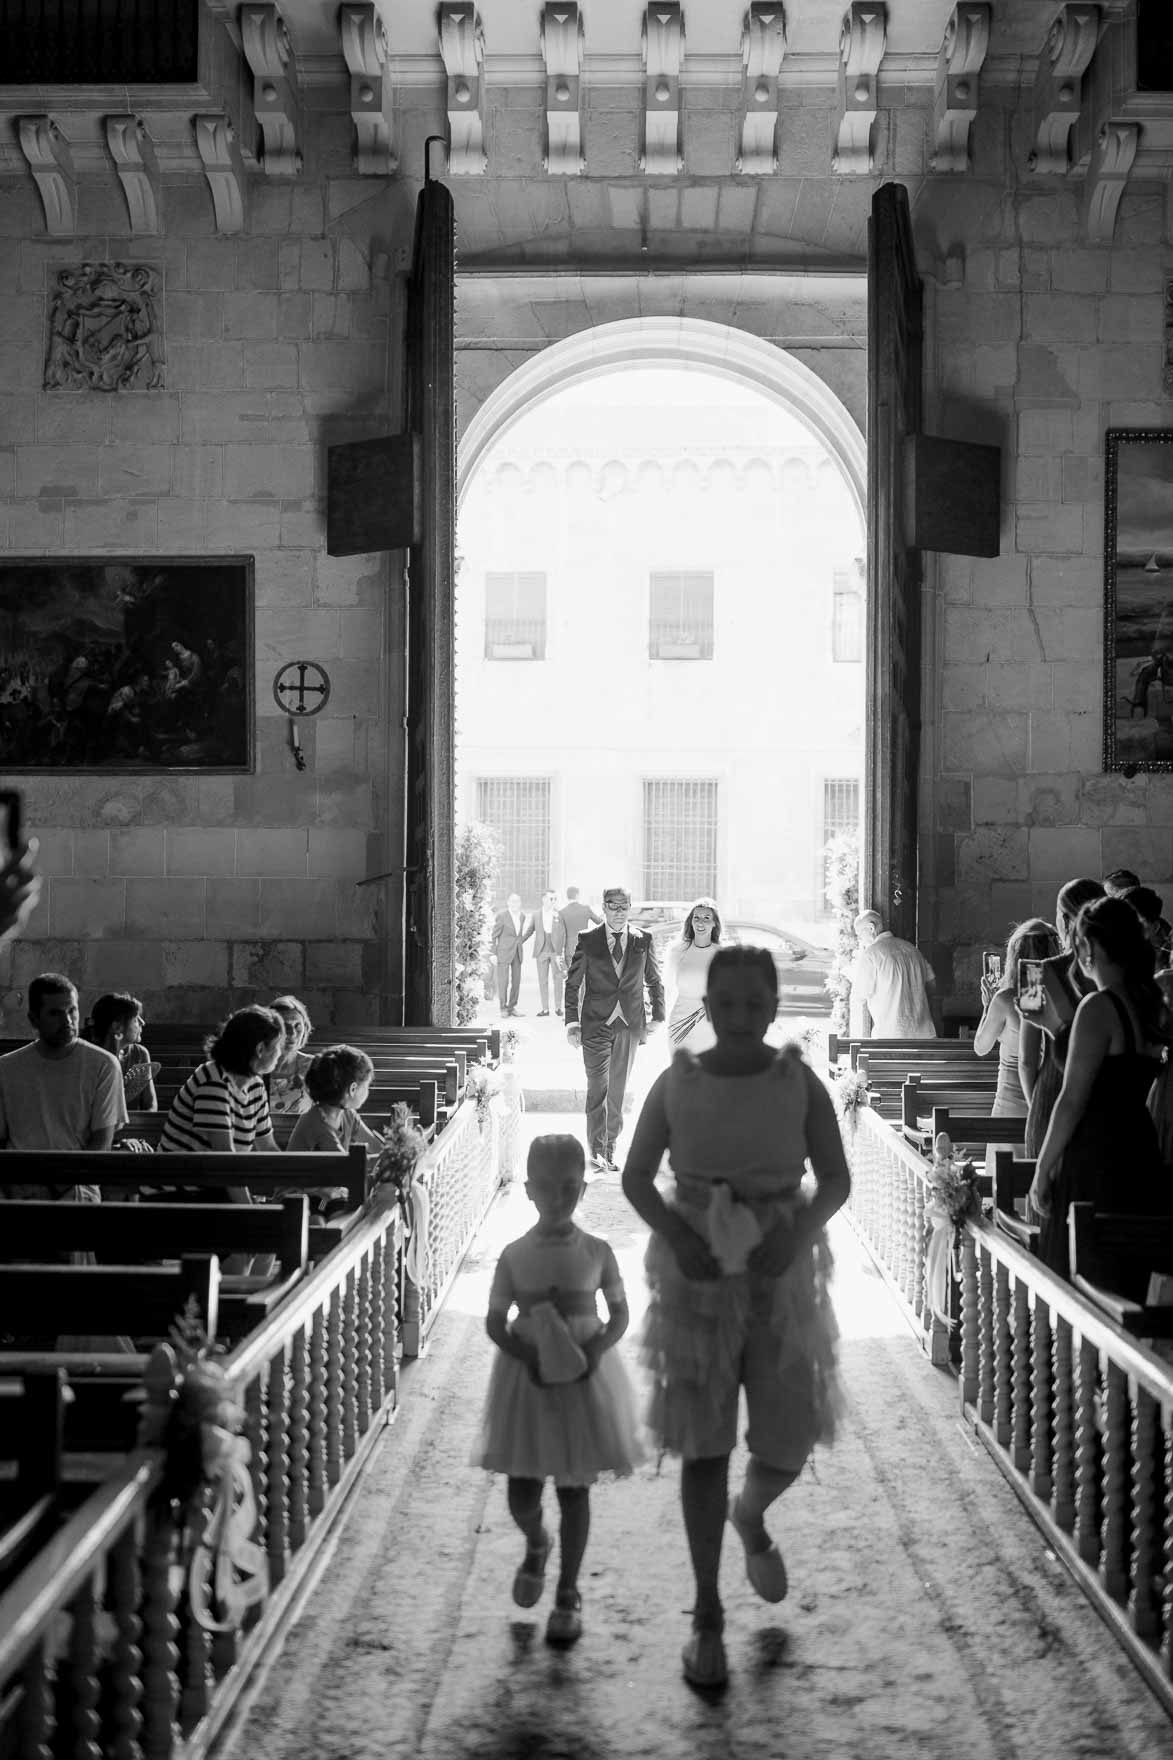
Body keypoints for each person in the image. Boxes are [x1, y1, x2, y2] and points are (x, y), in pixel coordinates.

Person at [622, 945, 849, 1690]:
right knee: (704, 1447)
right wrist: (680, 1236)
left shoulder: (798, 1080)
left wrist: (797, 1231)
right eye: (729, 1003)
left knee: (787, 1439)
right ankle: (705, 1613)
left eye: (757, 1003)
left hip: (779, 1277)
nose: (743, 1015)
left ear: (772, 1006)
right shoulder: (675, 1080)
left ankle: (750, 1515)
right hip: (698, 1279)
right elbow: (634, 1177)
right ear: (710, 1006)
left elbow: (835, 1180)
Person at [474, 1134, 642, 1648]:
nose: (558, 1197)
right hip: (527, 1383)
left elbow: (619, 1315)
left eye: (569, 1187)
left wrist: (593, 1352)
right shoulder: (513, 1255)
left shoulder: (597, 1251)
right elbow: (496, 1321)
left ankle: (568, 1590)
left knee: (574, 1488)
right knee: (522, 1491)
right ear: (528, 1190)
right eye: (546, 1187)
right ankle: (536, 1540)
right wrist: (526, 1356)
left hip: (582, 1382)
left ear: (583, 1189)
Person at [1030, 897, 1171, 1279]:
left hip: (1096, 1155)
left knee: (1084, 1271)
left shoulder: (1098, 1007)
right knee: (1129, 1274)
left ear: (1088, 947)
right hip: (1140, 1150)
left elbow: (1072, 1099)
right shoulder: (1153, 1004)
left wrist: (1042, 1169)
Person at [563, 884, 665, 1174]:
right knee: (598, 1088)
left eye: (623, 906)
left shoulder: (643, 939)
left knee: (617, 1090)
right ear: (603, 907)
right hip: (595, 1024)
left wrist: (658, 1013)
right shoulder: (588, 939)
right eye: (612, 905)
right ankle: (596, 1152)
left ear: (629, 908)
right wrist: (572, 1023)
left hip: (629, 1025)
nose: (618, 912)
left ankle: (609, 1150)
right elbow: (572, 984)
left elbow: (655, 980)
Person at [0, 974, 128, 1198]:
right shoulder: (7, 1068)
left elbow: (101, 1142)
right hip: (18, 1183)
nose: (68, 1021)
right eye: (55, 1013)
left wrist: (61, 1182)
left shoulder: (103, 1065)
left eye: (72, 1011)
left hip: (77, 1184)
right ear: (34, 1019)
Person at [1019, 877, 1105, 1158]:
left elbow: (1026, 1059)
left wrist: (1038, 1107)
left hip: (1053, 1086)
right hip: (1102, 1089)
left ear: (1064, 920)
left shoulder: (1032, 973)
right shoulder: (1113, 972)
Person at [159, 1008, 283, 1199]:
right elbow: (224, 1159)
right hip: (178, 1194)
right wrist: (250, 1214)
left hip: (214, 1189)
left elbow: (267, 1147)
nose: (280, 1053)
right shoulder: (213, 1081)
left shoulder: (255, 1085)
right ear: (260, 1049)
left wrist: (296, 1183)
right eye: (277, 1046)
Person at [973, 920, 1060, 1118]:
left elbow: (981, 1047)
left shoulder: (1007, 999)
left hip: (1011, 1105)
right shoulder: (1062, 995)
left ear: (1016, 955)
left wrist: (987, 1006)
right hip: (1049, 1101)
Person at [849, 909, 937, 1038]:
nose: (859, 939)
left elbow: (859, 996)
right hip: (924, 1033)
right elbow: (932, 984)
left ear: (871, 928)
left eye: (859, 934)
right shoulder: (912, 949)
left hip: (891, 1035)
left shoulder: (871, 954)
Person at [288, 1046, 384, 1155]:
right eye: (367, 1086)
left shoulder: (348, 1115)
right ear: (352, 1089)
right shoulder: (316, 1121)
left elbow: (375, 1147)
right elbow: (344, 1165)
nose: (368, 1090)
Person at [665, 897, 723, 1053]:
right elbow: (667, 988)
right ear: (690, 922)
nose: (700, 922)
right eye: (696, 918)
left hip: (711, 1025)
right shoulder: (678, 951)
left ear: (714, 923)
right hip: (680, 1022)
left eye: (706, 918)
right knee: (681, 1071)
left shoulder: (722, 954)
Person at [85, 991, 160, 1111]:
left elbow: (150, 1104)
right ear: (117, 1027)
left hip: (134, 1125)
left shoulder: (140, 1053)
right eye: (135, 1019)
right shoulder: (89, 1057)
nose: (142, 1023)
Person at [268, 994, 314, 1114]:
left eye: (297, 1026)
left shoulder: (314, 1066)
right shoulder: (258, 1065)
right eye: (285, 1026)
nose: (292, 1033)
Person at [490, 892, 533, 1017]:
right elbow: (494, 935)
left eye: (517, 901)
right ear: (508, 902)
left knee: (516, 981)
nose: (515, 904)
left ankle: (512, 1007)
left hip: (517, 952)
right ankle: (503, 1008)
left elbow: (518, 935)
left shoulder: (522, 916)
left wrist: (520, 943)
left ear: (520, 903)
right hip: (503, 952)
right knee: (503, 981)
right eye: (512, 901)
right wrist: (493, 953)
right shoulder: (502, 916)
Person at [532, 888, 568, 1017]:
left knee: (558, 979)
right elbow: (530, 930)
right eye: (550, 898)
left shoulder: (559, 914)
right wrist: (519, 941)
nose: (553, 901)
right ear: (544, 899)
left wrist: (561, 951)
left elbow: (563, 933)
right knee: (543, 980)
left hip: (555, 951)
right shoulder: (536, 914)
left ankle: (558, 1007)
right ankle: (545, 1009)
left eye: (555, 899)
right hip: (541, 951)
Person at [557, 886, 603, 968]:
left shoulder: (562, 913)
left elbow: (561, 935)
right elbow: (600, 922)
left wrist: (559, 954)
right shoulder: (586, 909)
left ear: (567, 896)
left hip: (570, 949)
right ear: (577, 895)